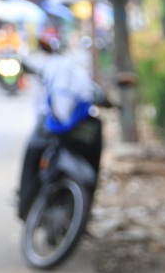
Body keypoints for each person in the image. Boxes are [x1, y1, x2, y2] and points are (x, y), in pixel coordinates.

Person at [16, 37, 103, 220]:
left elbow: (97, 94)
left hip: (69, 124)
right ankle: (23, 203)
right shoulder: (50, 66)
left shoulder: (76, 73)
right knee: (34, 148)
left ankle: (85, 212)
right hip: (50, 122)